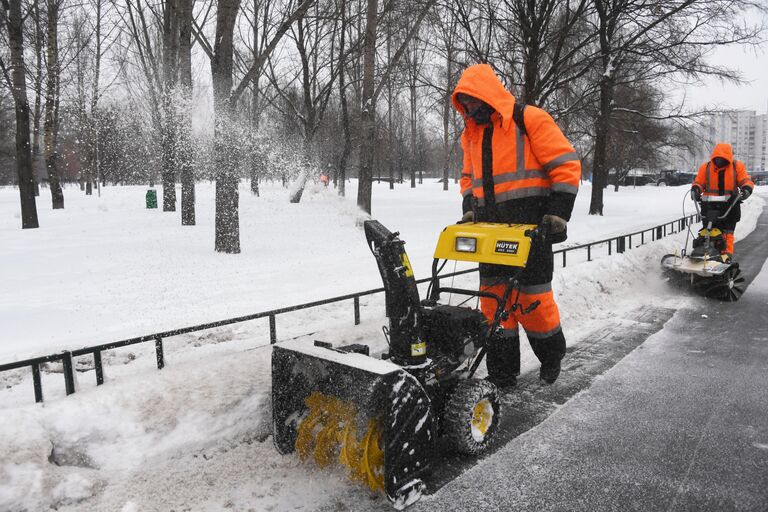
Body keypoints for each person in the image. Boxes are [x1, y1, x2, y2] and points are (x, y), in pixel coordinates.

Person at [451, 63, 581, 387]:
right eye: (463, 103)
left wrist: (557, 213)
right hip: (489, 232)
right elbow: (468, 178)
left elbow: (566, 165)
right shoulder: (470, 134)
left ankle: (551, 356)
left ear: (488, 96)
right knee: (495, 306)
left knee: (533, 303)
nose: (469, 108)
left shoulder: (530, 120)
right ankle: (502, 374)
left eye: (472, 101)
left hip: (531, 228)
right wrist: (470, 208)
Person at [690, 143, 754, 260]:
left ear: (728, 157)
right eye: (718, 158)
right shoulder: (706, 167)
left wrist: (746, 189)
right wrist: (696, 189)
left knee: (727, 233)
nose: (720, 161)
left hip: (730, 205)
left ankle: (726, 257)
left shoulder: (736, 167)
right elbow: (699, 182)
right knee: (707, 231)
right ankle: (704, 252)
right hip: (709, 205)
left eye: (723, 158)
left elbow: (745, 180)